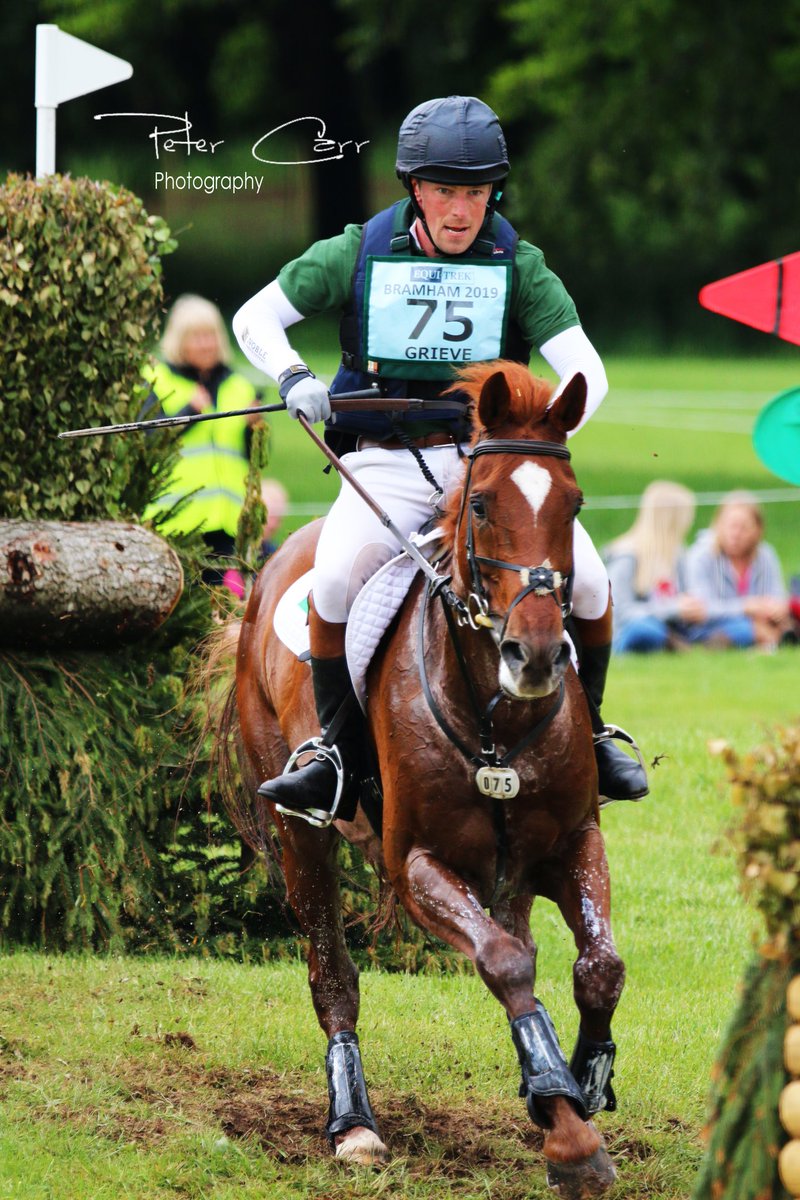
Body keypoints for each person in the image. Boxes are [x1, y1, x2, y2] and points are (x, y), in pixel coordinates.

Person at [233, 95, 648, 825]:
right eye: (446, 191)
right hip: (388, 461)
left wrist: (537, 427)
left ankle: (595, 731)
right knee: (331, 579)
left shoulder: (519, 265)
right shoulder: (358, 252)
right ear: (415, 189)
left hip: (486, 464)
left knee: (592, 584)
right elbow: (253, 317)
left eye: (477, 192)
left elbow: (590, 369)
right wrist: (295, 376)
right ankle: (333, 755)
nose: (462, 210)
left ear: (495, 192)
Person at [143, 294, 262, 593]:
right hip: (174, 524)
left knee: (221, 614)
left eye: (210, 335)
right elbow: (148, 442)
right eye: (196, 337)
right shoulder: (156, 378)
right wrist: (188, 413)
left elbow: (253, 459)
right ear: (178, 341)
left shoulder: (239, 386)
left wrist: (255, 431)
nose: (206, 344)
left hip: (228, 525)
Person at [604, 481, 706, 653]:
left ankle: (676, 643)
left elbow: (682, 598)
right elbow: (621, 612)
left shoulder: (677, 554)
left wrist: (691, 609)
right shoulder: (626, 556)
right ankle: (673, 644)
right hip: (627, 633)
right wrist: (674, 609)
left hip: (669, 627)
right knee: (644, 629)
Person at [683, 490, 793, 649]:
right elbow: (702, 610)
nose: (736, 534)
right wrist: (746, 607)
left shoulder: (765, 555)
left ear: (757, 530)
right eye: (731, 527)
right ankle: (764, 639)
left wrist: (777, 608)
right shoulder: (701, 556)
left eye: (744, 528)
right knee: (742, 628)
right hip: (710, 627)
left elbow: (777, 594)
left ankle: (768, 640)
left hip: (760, 621)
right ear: (718, 525)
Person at [258, 478, 290, 563]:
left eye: (279, 519)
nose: (273, 525)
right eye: (270, 517)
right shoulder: (228, 549)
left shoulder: (275, 554)